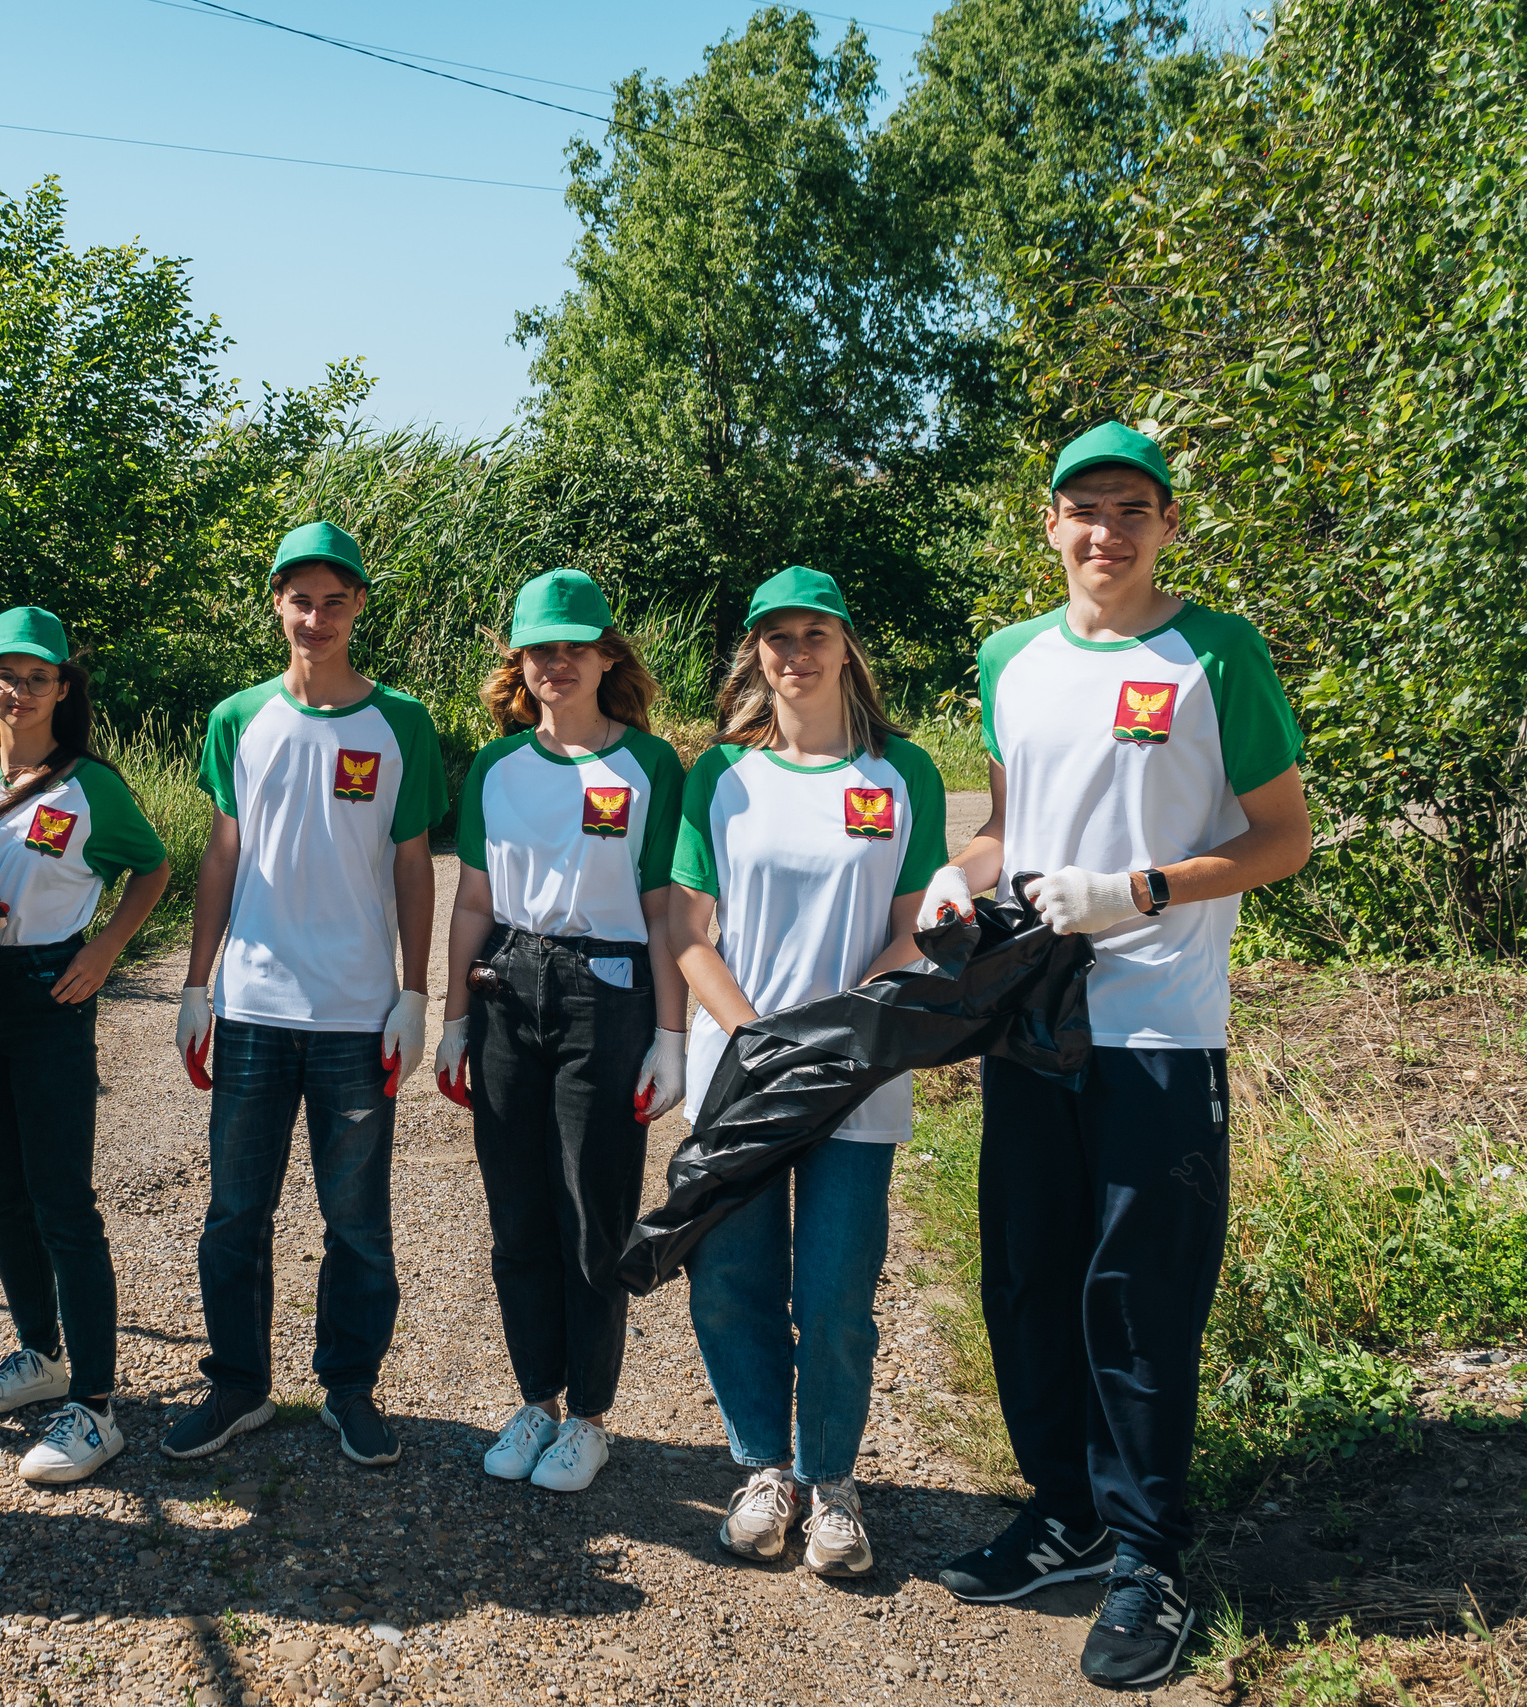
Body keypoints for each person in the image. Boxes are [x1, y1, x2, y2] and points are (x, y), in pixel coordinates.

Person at [923, 425, 1308, 1689]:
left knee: (1135, 1298)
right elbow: (1005, 827)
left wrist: (1135, 888)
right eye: (1082, 510)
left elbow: (1281, 837)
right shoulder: (1008, 660)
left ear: (1166, 523)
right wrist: (954, 873)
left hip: (1158, 1025)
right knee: (1029, 1278)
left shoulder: (1215, 653)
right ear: (1047, 524)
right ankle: (1065, 1513)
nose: (1106, 531)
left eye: (1130, 509)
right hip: (1035, 1023)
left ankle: (1148, 1558)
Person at [663, 565, 949, 1578]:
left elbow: (912, 928)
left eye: (813, 633)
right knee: (732, 1281)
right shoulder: (719, 778)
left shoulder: (899, 773)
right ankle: (763, 1471)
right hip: (741, 1073)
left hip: (858, 1072)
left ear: (844, 646)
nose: (795, 651)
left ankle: (833, 1486)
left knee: (834, 1295)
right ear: (755, 653)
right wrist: (756, 1037)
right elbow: (688, 929)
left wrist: (835, 1030)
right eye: (775, 636)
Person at [165, 521, 445, 1469]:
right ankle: (238, 1385)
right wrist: (196, 984)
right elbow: (222, 852)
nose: (316, 616)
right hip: (251, 1006)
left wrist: (415, 992)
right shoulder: (237, 717)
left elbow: (414, 863)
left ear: (359, 605)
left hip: (357, 1012)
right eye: (300, 599)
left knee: (357, 1220)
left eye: (334, 600)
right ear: (276, 603)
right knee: (235, 1213)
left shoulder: (401, 720)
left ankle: (349, 1387)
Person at [0, 606, 170, 1484]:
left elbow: (152, 865)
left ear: (63, 689)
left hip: (53, 986)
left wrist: (105, 946)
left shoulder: (90, 783)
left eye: (39, 677)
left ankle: (94, 1404)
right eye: (5, 675)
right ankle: (36, 1353)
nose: (20, 690)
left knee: (61, 1199)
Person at [432, 569, 689, 1495]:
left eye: (576, 646)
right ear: (521, 662)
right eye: (541, 648)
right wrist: (452, 1017)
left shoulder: (651, 765)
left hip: (610, 990)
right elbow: (469, 900)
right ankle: (535, 1398)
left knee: (593, 1212)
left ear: (607, 654)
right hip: (507, 980)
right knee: (517, 1213)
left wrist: (671, 1036)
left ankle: (589, 1415)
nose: (558, 663)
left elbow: (664, 909)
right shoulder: (497, 769)